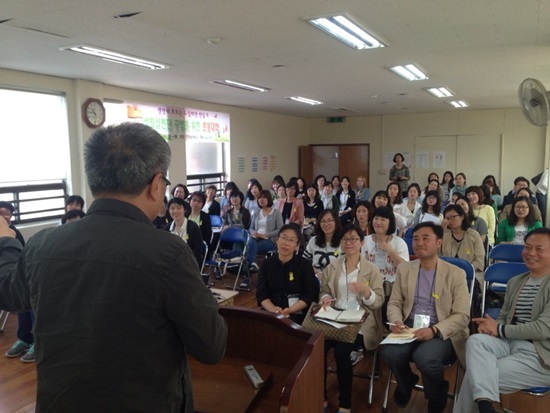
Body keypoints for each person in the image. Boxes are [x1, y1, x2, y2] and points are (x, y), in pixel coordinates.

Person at [0, 123, 227, 412]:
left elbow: (8, 294)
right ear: (156, 184)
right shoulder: (167, 252)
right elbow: (211, 346)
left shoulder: (43, 244)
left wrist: (5, 243)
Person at [454, 228, 550, 413]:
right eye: (527, 247)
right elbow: (505, 318)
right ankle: (485, 406)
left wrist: (499, 330)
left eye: (539, 249)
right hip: (510, 343)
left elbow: (543, 329)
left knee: (476, 376)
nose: (531, 253)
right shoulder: (516, 281)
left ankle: (485, 405)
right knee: (475, 340)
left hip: (540, 356)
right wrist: (491, 327)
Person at [382, 222, 470, 413]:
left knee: (425, 358)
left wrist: (434, 330)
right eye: (415, 238)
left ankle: (437, 392)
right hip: (410, 325)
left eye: (425, 238)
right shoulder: (405, 269)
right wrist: (396, 321)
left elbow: (462, 315)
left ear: (439, 242)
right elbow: (395, 302)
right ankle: (406, 382)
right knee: (389, 352)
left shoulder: (456, 274)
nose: (419, 243)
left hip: (442, 327)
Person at [320, 223, 384, 413]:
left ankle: (345, 404)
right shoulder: (333, 265)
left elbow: (378, 301)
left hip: (360, 320)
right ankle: (321, 397)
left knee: (341, 352)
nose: (349, 243)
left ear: (362, 243)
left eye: (354, 239)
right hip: (335, 316)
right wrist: (325, 299)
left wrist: (366, 290)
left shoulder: (372, 270)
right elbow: (324, 289)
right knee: (315, 349)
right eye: (345, 239)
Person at [256, 224, 318, 325]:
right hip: (271, 311)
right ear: (277, 240)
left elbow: (309, 295)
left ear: (297, 246)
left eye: (291, 240)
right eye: (284, 238)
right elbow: (261, 294)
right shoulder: (267, 264)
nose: (286, 243)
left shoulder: (304, 265)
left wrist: (290, 310)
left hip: (297, 313)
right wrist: (273, 310)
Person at [0, 201, 35, 363]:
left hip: (17, 278)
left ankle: (33, 341)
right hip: (7, 283)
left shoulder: (12, 234)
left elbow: (21, 259)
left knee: (29, 302)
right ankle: (25, 338)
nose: (3, 217)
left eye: (6, 213)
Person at [362, 206, 409, 323]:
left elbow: (406, 269)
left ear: (390, 222)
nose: (378, 222)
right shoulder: (365, 241)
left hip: (392, 288)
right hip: (371, 285)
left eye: (383, 219)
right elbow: (361, 266)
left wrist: (391, 251)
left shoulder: (399, 242)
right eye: (376, 218)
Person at [440, 204, 485, 283]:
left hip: (469, 275)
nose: (450, 221)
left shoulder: (473, 235)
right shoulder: (443, 234)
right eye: (447, 218)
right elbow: (435, 255)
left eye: (452, 217)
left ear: (462, 216)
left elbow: (479, 260)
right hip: (445, 274)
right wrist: (440, 232)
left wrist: (464, 271)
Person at [246, 190, 283, 272]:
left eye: (264, 198)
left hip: (270, 239)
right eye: (259, 198)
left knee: (249, 248)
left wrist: (266, 235)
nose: (261, 200)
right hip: (256, 237)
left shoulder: (276, 212)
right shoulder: (256, 212)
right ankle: (253, 264)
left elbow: (280, 229)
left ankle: (250, 265)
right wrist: (254, 233)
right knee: (250, 242)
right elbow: (250, 228)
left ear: (269, 199)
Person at [303, 209, 342, 277]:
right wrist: (315, 272)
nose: (326, 224)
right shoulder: (313, 241)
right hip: (315, 279)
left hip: (336, 279)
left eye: (330, 220)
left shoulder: (343, 242)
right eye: (323, 221)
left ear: (336, 222)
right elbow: (304, 261)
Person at [165, 197, 204, 264]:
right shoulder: (167, 228)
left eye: (179, 208)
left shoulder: (193, 227)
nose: (175, 211)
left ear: (185, 209)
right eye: (172, 208)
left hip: (190, 262)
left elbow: (198, 250)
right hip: (171, 263)